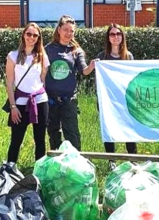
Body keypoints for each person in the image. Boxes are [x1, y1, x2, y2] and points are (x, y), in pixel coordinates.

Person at [45, 15, 96, 151]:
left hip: (69, 100)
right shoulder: (48, 49)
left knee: (72, 133)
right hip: (51, 100)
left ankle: (75, 162)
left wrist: (91, 66)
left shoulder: (76, 51)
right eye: (66, 30)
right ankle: (56, 162)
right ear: (59, 30)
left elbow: (84, 71)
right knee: (53, 132)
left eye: (72, 31)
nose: (68, 33)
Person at [5, 23, 49, 164]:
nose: (31, 37)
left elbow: (43, 80)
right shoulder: (13, 56)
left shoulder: (42, 56)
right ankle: (9, 171)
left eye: (35, 35)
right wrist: (13, 106)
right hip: (20, 103)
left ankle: (39, 174)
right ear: (23, 35)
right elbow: (10, 82)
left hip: (40, 101)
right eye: (29, 34)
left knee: (40, 140)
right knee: (16, 140)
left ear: (38, 38)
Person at [96, 24, 137, 166]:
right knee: (109, 128)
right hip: (107, 100)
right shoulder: (102, 57)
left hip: (126, 100)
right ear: (108, 37)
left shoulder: (128, 56)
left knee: (129, 129)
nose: (115, 37)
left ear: (122, 37)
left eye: (118, 34)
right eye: (112, 34)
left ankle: (133, 159)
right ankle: (111, 160)